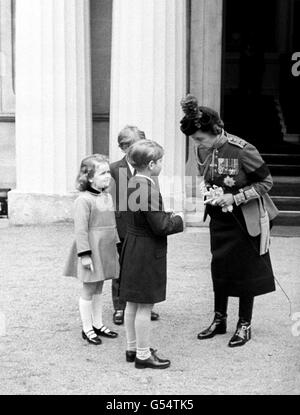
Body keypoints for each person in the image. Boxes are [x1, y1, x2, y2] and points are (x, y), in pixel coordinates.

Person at [180, 94, 279, 347]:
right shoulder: (202, 146)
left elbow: (266, 183)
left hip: (245, 219)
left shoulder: (242, 150)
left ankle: (244, 324)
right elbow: (207, 174)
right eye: (195, 140)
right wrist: (209, 192)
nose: (199, 144)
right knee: (220, 268)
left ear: (215, 130)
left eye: (201, 138)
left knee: (246, 271)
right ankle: (219, 318)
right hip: (219, 218)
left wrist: (234, 197)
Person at [119, 140, 184, 368]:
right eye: (160, 161)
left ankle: (132, 347)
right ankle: (143, 354)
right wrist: (178, 219)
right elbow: (160, 226)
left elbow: (145, 216)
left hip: (134, 244)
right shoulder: (148, 188)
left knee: (132, 304)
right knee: (145, 305)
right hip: (146, 250)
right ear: (152, 164)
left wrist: (164, 215)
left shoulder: (133, 182)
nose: (161, 165)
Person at [63, 154, 119, 345]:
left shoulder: (107, 196)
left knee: (99, 286)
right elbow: (80, 230)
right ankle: (87, 328)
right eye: (102, 173)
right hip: (91, 249)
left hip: (105, 248)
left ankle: (98, 324)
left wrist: (115, 244)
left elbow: (111, 223)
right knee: (88, 288)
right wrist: (85, 255)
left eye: (108, 172)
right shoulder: (83, 200)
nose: (107, 176)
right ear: (89, 177)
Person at [109, 126, 159, 325]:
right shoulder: (114, 169)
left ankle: (145, 305)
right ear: (123, 147)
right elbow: (109, 203)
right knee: (120, 267)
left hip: (144, 227)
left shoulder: (149, 167)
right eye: (132, 146)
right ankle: (120, 306)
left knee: (144, 266)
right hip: (121, 225)